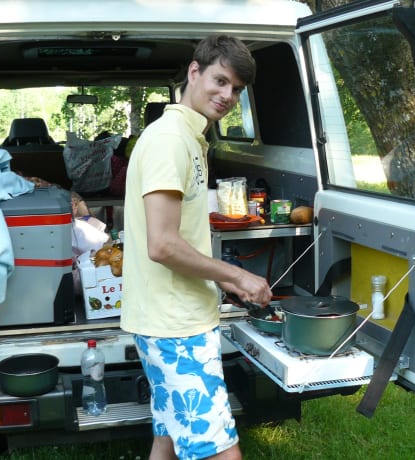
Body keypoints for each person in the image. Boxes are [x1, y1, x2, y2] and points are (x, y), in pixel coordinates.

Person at [121, 35, 271, 460]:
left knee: (167, 436)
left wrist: (221, 282)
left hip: (167, 317)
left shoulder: (189, 137)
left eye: (237, 89)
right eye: (220, 81)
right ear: (193, 72)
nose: (228, 96)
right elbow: (163, 245)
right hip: (176, 326)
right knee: (220, 450)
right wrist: (236, 275)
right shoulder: (171, 140)